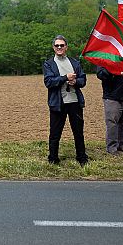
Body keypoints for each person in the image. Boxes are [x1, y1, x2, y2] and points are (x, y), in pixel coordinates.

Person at [42, 35, 88, 166]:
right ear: (53, 48)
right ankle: (53, 159)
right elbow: (49, 82)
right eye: (57, 45)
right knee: (55, 133)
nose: (59, 47)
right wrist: (64, 78)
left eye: (62, 45)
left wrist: (75, 81)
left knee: (78, 132)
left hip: (75, 102)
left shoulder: (74, 62)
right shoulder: (49, 63)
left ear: (66, 47)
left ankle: (82, 158)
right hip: (58, 103)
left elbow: (83, 80)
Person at [96, 66, 123, 155]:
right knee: (112, 123)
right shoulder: (104, 60)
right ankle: (112, 147)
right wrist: (114, 69)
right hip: (113, 98)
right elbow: (101, 75)